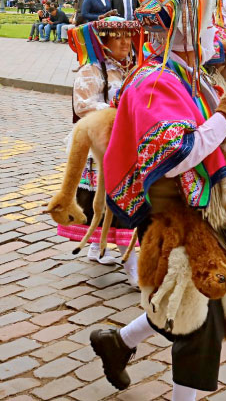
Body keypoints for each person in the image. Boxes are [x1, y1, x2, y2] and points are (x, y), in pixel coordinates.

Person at [90, 0, 226, 400]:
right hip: (173, 213)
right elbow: (178, 153)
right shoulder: (157, 81)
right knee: (199, 315)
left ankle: (119, 343)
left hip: (193, 210)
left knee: (184, 301)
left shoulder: (183, 73)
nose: (215, 29)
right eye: (208, 20)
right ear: (184, 28)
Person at [59, 17, 141, 282]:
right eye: (118, 37)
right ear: (104, 41)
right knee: (114, 201)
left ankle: (96, 246)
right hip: (101, 147)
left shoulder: (131, 67)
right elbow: (83, 105)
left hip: (125, 144)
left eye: (128, 36)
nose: (125, 42)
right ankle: (134, 269)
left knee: (116, 199)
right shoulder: (93, 70)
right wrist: (118, 111)